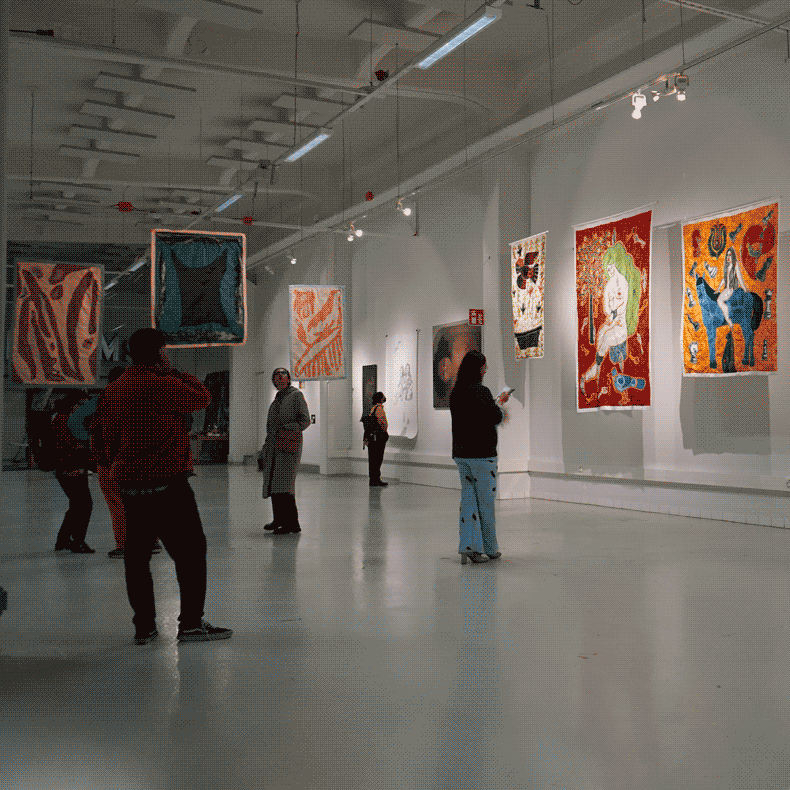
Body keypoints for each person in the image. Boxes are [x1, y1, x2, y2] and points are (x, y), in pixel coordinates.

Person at [91, 328, 231, 645]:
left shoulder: (116, 389)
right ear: (159, 353)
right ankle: (191, 624)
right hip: (168, 484)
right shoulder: (162, 384)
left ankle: (144, 627)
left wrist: (113, 465)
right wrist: (177, 370)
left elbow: (101, 434)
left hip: (131, 485)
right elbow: (203, 397)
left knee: (137, 557)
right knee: (191, 553)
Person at [90, 366, 163, 559]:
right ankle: (152, 540)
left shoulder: (106, 401)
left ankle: (124, 545)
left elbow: (96, 432)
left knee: (118, 504)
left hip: (112, 463)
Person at [450, 350, 509, 564]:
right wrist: (500, 405)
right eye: (484, 366)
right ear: (478, 368)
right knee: (485, 503)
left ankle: (468, 547)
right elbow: (493, 416)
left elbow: (472, 416)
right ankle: (490, 548)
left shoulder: (456, 392)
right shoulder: (481, 391)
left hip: (462, 454)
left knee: (468, 501)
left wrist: (492, 404)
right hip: (482, 455)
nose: (486, 370)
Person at [259, 368, 311, 535]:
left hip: (289, 447)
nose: (280, 380)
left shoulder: (295, 396)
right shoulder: (277, 399)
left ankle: (292, 524)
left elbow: (305, 421)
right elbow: (270, 427)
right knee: (275, 485)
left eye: (283, 377)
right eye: (277, 378)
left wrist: (286, 429)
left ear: (288, 379)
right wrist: (266, 447)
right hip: (274, 448)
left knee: (285, 486)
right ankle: (278, 519)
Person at [52, 390, 95, 553]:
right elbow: (64, 449)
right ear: (73, 404)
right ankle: (77, 542)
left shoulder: (67, 419)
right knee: (84, 505)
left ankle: (63, 540)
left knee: (77, 505)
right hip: (71, 469)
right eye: (82, 404)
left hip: (74, 468)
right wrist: (73, 467)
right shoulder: (64, 420)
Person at [716, 246, 747, 328]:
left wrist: (744, 288)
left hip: (732, 290)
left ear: (733, 256)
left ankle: (728, 320)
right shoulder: (726, 267)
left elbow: (740, 277)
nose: (728, 257)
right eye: (727, 255)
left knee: (719, 301)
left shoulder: (735, 265)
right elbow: (724, 279)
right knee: (718, 300)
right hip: (726, 289)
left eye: (730, 255)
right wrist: (718, 288)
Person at [364, 392, 389, 487]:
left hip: (372, 439)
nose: (384, 397)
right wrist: (384, 432)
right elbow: (383, 423)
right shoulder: (379, 409)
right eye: (383, 396)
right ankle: (376, 480)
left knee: (373, 460)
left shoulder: (373, 409)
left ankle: (373, 480)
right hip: (378, 438)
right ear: (381, 399)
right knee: (378, 459)